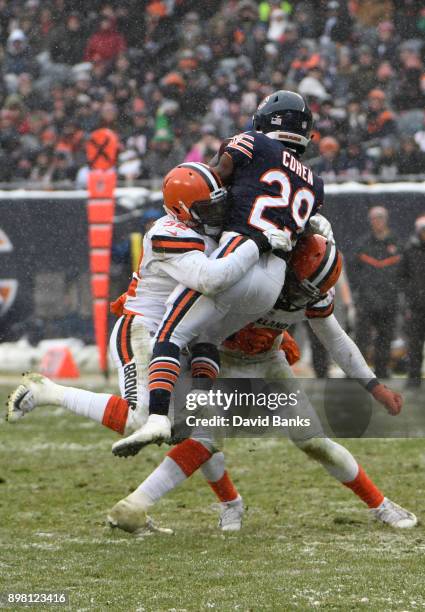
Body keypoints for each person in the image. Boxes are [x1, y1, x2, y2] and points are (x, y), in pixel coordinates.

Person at [8, 236, 416, 533]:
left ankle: (380, 504)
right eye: (303, 285)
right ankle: (159, 505)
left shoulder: (297, 287)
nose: (302, 296)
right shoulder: (243, 277)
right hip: (215, 354)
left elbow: (335, 337)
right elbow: (193, 325)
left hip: (268, 360)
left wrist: (372, 385)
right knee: (196, 434)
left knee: (312, 440)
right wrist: (201, 378)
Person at [123, 90, 331, 453]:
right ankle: (200, 405)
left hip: (238, 256)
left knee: (171, 334)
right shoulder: (315, 183)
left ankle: (157, 416)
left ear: (266, 122)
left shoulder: (250, 142)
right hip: (272, 283)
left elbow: (215, 182)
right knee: (207, 339)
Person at [353, 206, 401, 379]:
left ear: (386, 219)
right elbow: (354, 273)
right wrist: (359, 295)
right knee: (361, 339)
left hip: (389, 301)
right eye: (374, 218)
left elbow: (404, 273)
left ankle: (382, 372)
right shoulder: (362, 244)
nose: (377, 221)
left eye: (380, 217)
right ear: (370, 221)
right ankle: (358, 373)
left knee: (385, 339)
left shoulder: (397, 243)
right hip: (366, 301)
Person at [400, 215, 425, 388]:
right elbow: (402, 277)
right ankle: (414, 379)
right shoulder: (410, 249)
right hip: (417, 306)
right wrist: (410, 297)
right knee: (415, 344)